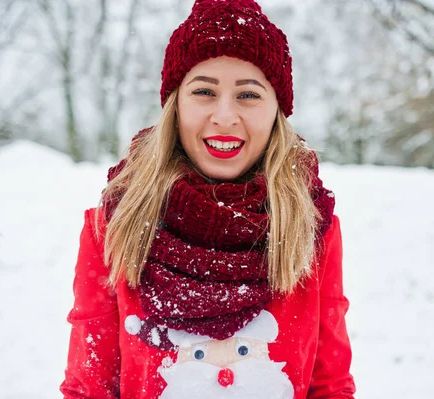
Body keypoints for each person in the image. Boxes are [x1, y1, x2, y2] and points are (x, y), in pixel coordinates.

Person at [59, 0, 356, 398]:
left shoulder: (311, 228)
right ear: (175, 104)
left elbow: (330, 386)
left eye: (248, 95)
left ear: (276, 111)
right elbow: (88, 388)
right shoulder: (114, 227)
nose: (225, 116)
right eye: (204, 91)